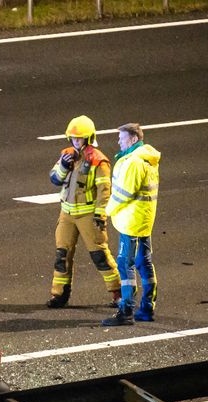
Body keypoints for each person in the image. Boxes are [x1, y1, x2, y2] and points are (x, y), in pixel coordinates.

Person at [46, 115, 121, 309]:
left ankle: (118, 293)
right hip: (67, 214)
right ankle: (59, 295)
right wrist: (63, 165)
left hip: (88, 215)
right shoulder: (67, 155)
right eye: (73, 138)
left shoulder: (99, 161)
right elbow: (54, 178)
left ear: (88, 138)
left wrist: (100, 215)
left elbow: (105, 192)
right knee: (62, 255)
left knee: (99, 255)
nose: (75, 141)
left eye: (79, 138)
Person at [102, 123, 162, 326]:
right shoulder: (147, 158)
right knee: (144, 262)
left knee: (125, 264)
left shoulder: (134, 162)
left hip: (131, 221)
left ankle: (126, 310)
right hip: (144, 219)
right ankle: (147, 307)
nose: (118, 141)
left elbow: (123, 194)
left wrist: (106, 211)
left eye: (122, 137)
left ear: (134, 139)